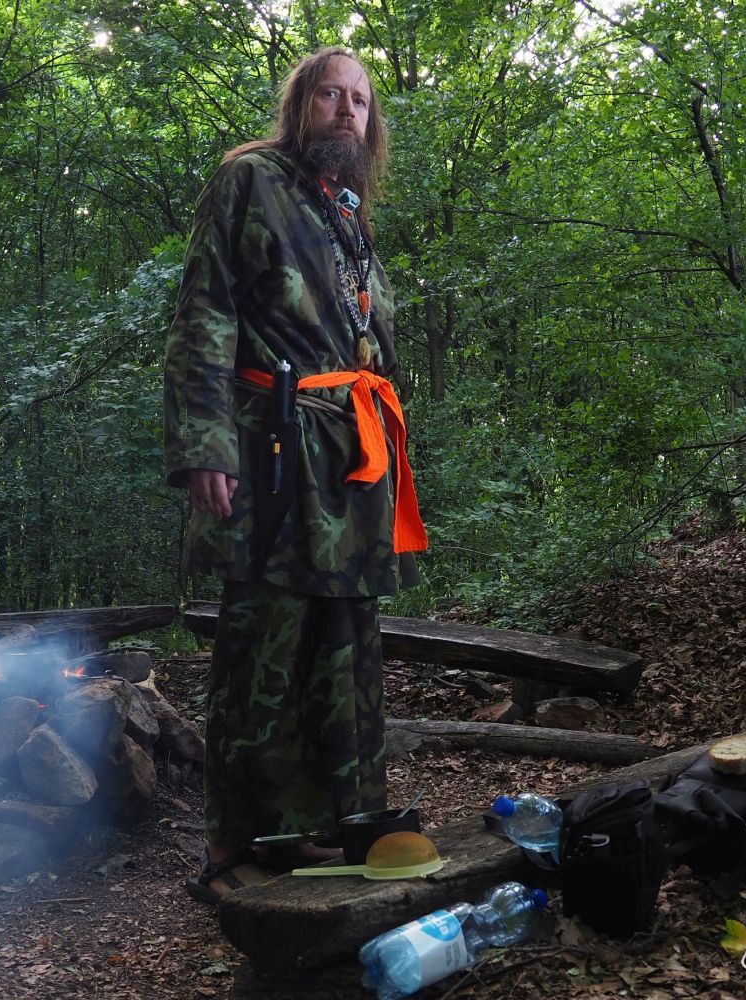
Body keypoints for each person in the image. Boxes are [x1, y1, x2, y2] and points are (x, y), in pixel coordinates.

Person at [163, 46, 428, 907]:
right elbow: (206, 308)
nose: (348, 111)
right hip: (274, 451)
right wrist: (206, 444)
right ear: (300, 105)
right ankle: (238, 845)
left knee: (346, 648)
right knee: (266, 650)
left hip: (351, 461)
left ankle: (342, 824)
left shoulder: (349, 211)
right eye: (331, 95)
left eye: (361, 100)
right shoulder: (250, 181)